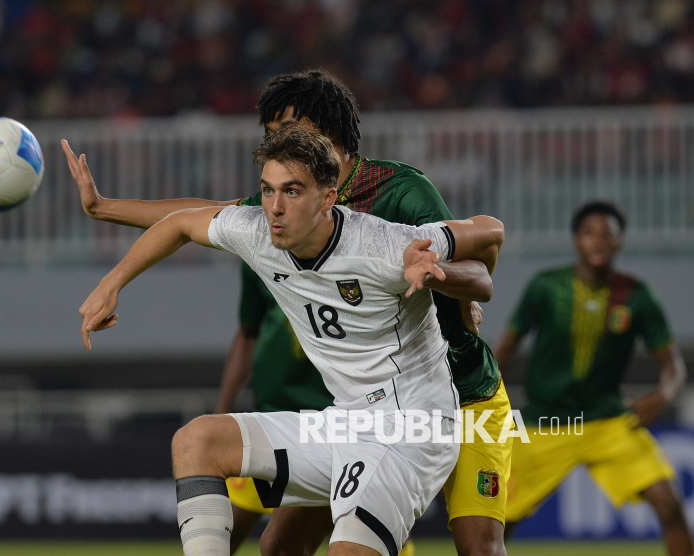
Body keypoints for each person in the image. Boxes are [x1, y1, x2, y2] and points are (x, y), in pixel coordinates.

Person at [64, 69, 512, 556]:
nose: (274, 141)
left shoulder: (394, 205)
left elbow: (478, 252)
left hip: (456, 395)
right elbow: (190, 218)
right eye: (270, 132)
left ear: (326, 139)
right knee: (273, 540)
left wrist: (444, 279)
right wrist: (105, 216)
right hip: (352, 412)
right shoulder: (278, 211)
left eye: (286, 128)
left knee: (478, 549)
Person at [494, 201, 692, 555]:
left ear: (619, 242)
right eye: (589, 233)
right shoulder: (546, 287)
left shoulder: (636, 296)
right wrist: (485, 406)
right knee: (495, 522)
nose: (598, 241)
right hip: (544, 423)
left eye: (608, 234)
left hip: (607, 422)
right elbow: (504, 351)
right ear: (576, 241)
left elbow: (675, 366)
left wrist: (663, 395)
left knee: (670, 504)